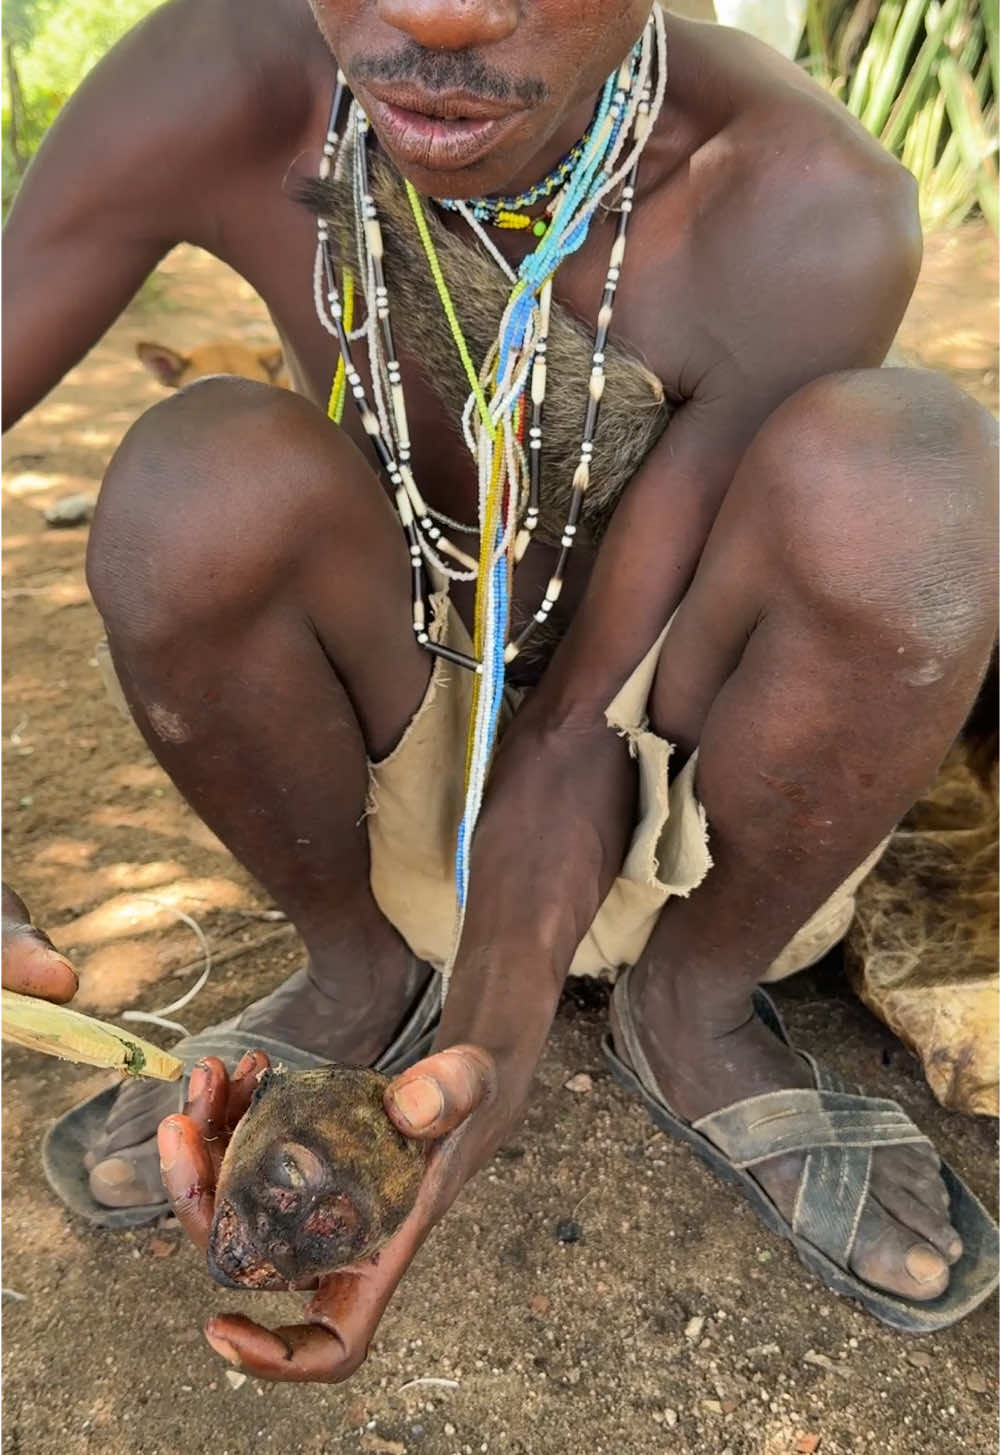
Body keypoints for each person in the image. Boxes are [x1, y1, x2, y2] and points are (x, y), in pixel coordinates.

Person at [3, 0, 997, 1384]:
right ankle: (360, 969)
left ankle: (692, 1008)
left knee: (911, 476)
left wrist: (490, 1044)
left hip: (685, 762)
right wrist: (450, 1048)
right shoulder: (219, 77)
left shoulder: (797, 198)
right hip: (393, 730)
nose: (436, 12)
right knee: (199, 481)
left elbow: (581, 726)